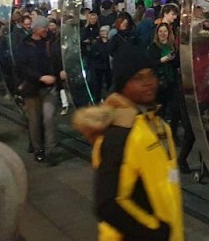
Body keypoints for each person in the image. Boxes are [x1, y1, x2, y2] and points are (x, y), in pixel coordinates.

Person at [73, 42, 183, 240]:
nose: (149, 82)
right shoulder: (119, 134)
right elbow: (107, 203)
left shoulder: (158, 125)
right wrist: (154, 232)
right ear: (123, 85)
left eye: (151, 74)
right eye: (138, 78)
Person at [17, 14, 64, 163]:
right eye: (44, 27)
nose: (46, 30)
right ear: (36, 29)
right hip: (33, 88)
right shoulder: (25, 46)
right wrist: (40, 77)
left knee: (49, 118)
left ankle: (51, 149)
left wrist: (59, 73)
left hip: (49, 88)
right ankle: (39, 148)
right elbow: (22, 67)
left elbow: (56, 61)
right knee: (35, 120)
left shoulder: (49, 43)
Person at [148, 23, 179, 126]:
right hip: (159, 81)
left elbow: (177, 63)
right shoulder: (153, 47)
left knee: (172, 105)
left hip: (171, 80)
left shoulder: (172, 45)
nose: (163, 34)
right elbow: (150, 63)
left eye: (165, 31)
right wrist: (162, 60)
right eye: (160, 31)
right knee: (161, 106)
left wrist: (172, 59)